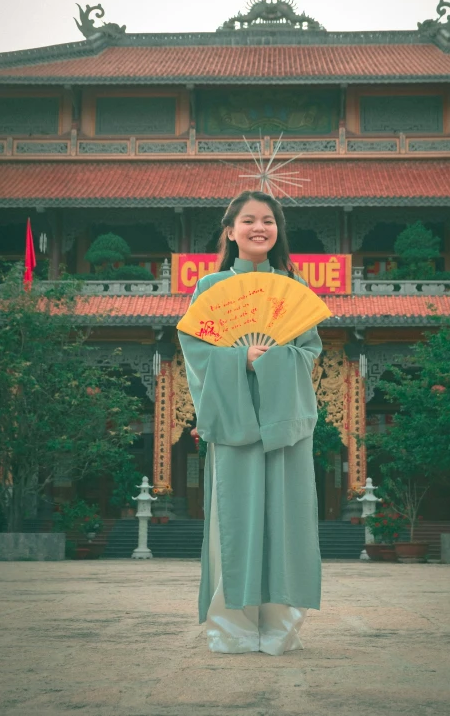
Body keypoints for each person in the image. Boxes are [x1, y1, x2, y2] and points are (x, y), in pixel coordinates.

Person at [178, 190, 322, 655]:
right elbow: (197, 351)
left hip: (284, 421)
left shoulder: (294, 287)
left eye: (268, 221)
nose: (259, 228)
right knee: (235, 520)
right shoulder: (209, 288)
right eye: (249, 220)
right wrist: (241, 357)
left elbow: (309, 352)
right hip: (234, 417)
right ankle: (233, 628)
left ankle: (280, 627)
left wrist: (273, 361)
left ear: (278, 232)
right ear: (230, 230)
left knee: (287, 518)